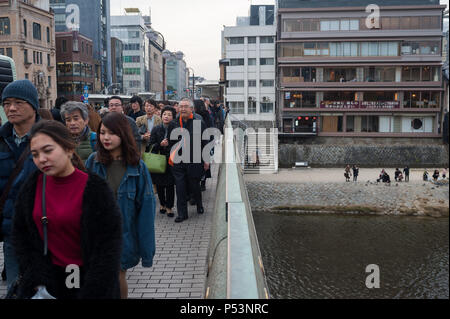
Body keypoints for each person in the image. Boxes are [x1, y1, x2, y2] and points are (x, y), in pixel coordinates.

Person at [11, 120, 122, 299]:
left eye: (48, 151)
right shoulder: (32, 186)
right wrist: (35, 276)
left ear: (69, 149)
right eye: (35, 154)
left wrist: (93, 291)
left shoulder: (95, 189)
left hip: (89, 282)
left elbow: (108, 248)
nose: (41, 159)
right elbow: (21, 235)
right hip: (47, 284)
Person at [85, 112, 156, 299]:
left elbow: (146, 211)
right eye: (102, 133)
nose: (106, 138)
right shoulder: (93, 162)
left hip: (122, 236)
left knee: (117, 276)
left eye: (111, 133)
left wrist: (146, 250)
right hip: (95, 235)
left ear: (123, 135)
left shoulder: (138, 167)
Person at [0, 80, 41, 291]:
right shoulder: (1, 139)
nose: (11, 108)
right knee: (15, 290)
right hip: (12, 232)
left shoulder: (49, 138)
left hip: (46, 232)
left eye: (18, 102)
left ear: (33, 106)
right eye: (6, 103)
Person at [169, 98, 210, 223]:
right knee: (180, 187)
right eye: (180, 106)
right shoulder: (174, 123)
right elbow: (171, 140)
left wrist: (206, 160)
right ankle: (182, 214)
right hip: (178, 161)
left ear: (191, 108)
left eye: (185, 106)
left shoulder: (198, 122)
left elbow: (205, 143)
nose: (182, 109)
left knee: (194, 185)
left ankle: (199, 204)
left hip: (194, 158)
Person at [149, 106, 177, 218]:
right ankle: (162, 204)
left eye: (169, 115)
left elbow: (179, 144)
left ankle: (170, 207)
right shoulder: (156, 129)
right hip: (159, 160)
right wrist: (159, 145)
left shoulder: (176, 129)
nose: (166, 116)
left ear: (173, 117)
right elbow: (150, 145)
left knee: (170, 185)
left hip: (171, 160)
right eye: (164, 114)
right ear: (161, 116)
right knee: (159, 184)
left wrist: (169, 145)